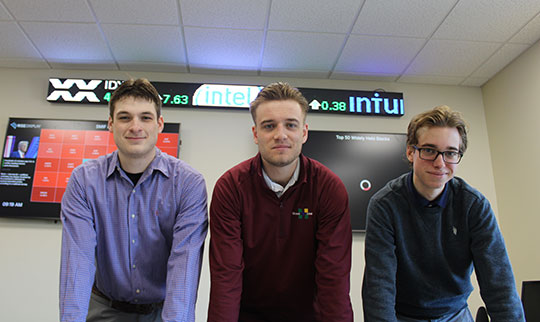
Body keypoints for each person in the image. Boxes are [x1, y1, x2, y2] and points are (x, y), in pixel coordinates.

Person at [59, 78, 208, 322]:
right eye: (125, 117)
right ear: (111, 123)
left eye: (145, 117)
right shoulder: (84, 180)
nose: (135, 126)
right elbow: (78, 261)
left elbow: (184, 267)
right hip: (104, 307)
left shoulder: (188, 183)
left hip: (163, 311)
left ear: (160, 124)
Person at [362, 105, 524, 321]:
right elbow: (378, 287)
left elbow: (499, 284)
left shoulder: (474, 206)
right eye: (429, 150)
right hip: (404, 315)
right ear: (411, 152)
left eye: (450, 153)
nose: (440, 163)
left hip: (455, 314)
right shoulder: (385, 205)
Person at [208, 82, 353, 322]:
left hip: (309, 316)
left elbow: (334, 277)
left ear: (304, 132)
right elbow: (226, 275)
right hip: (249, 315)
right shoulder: (231, 188)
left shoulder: (329, 188)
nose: (280, 134)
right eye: (269, 126)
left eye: (291, 125)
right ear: (255, 134)